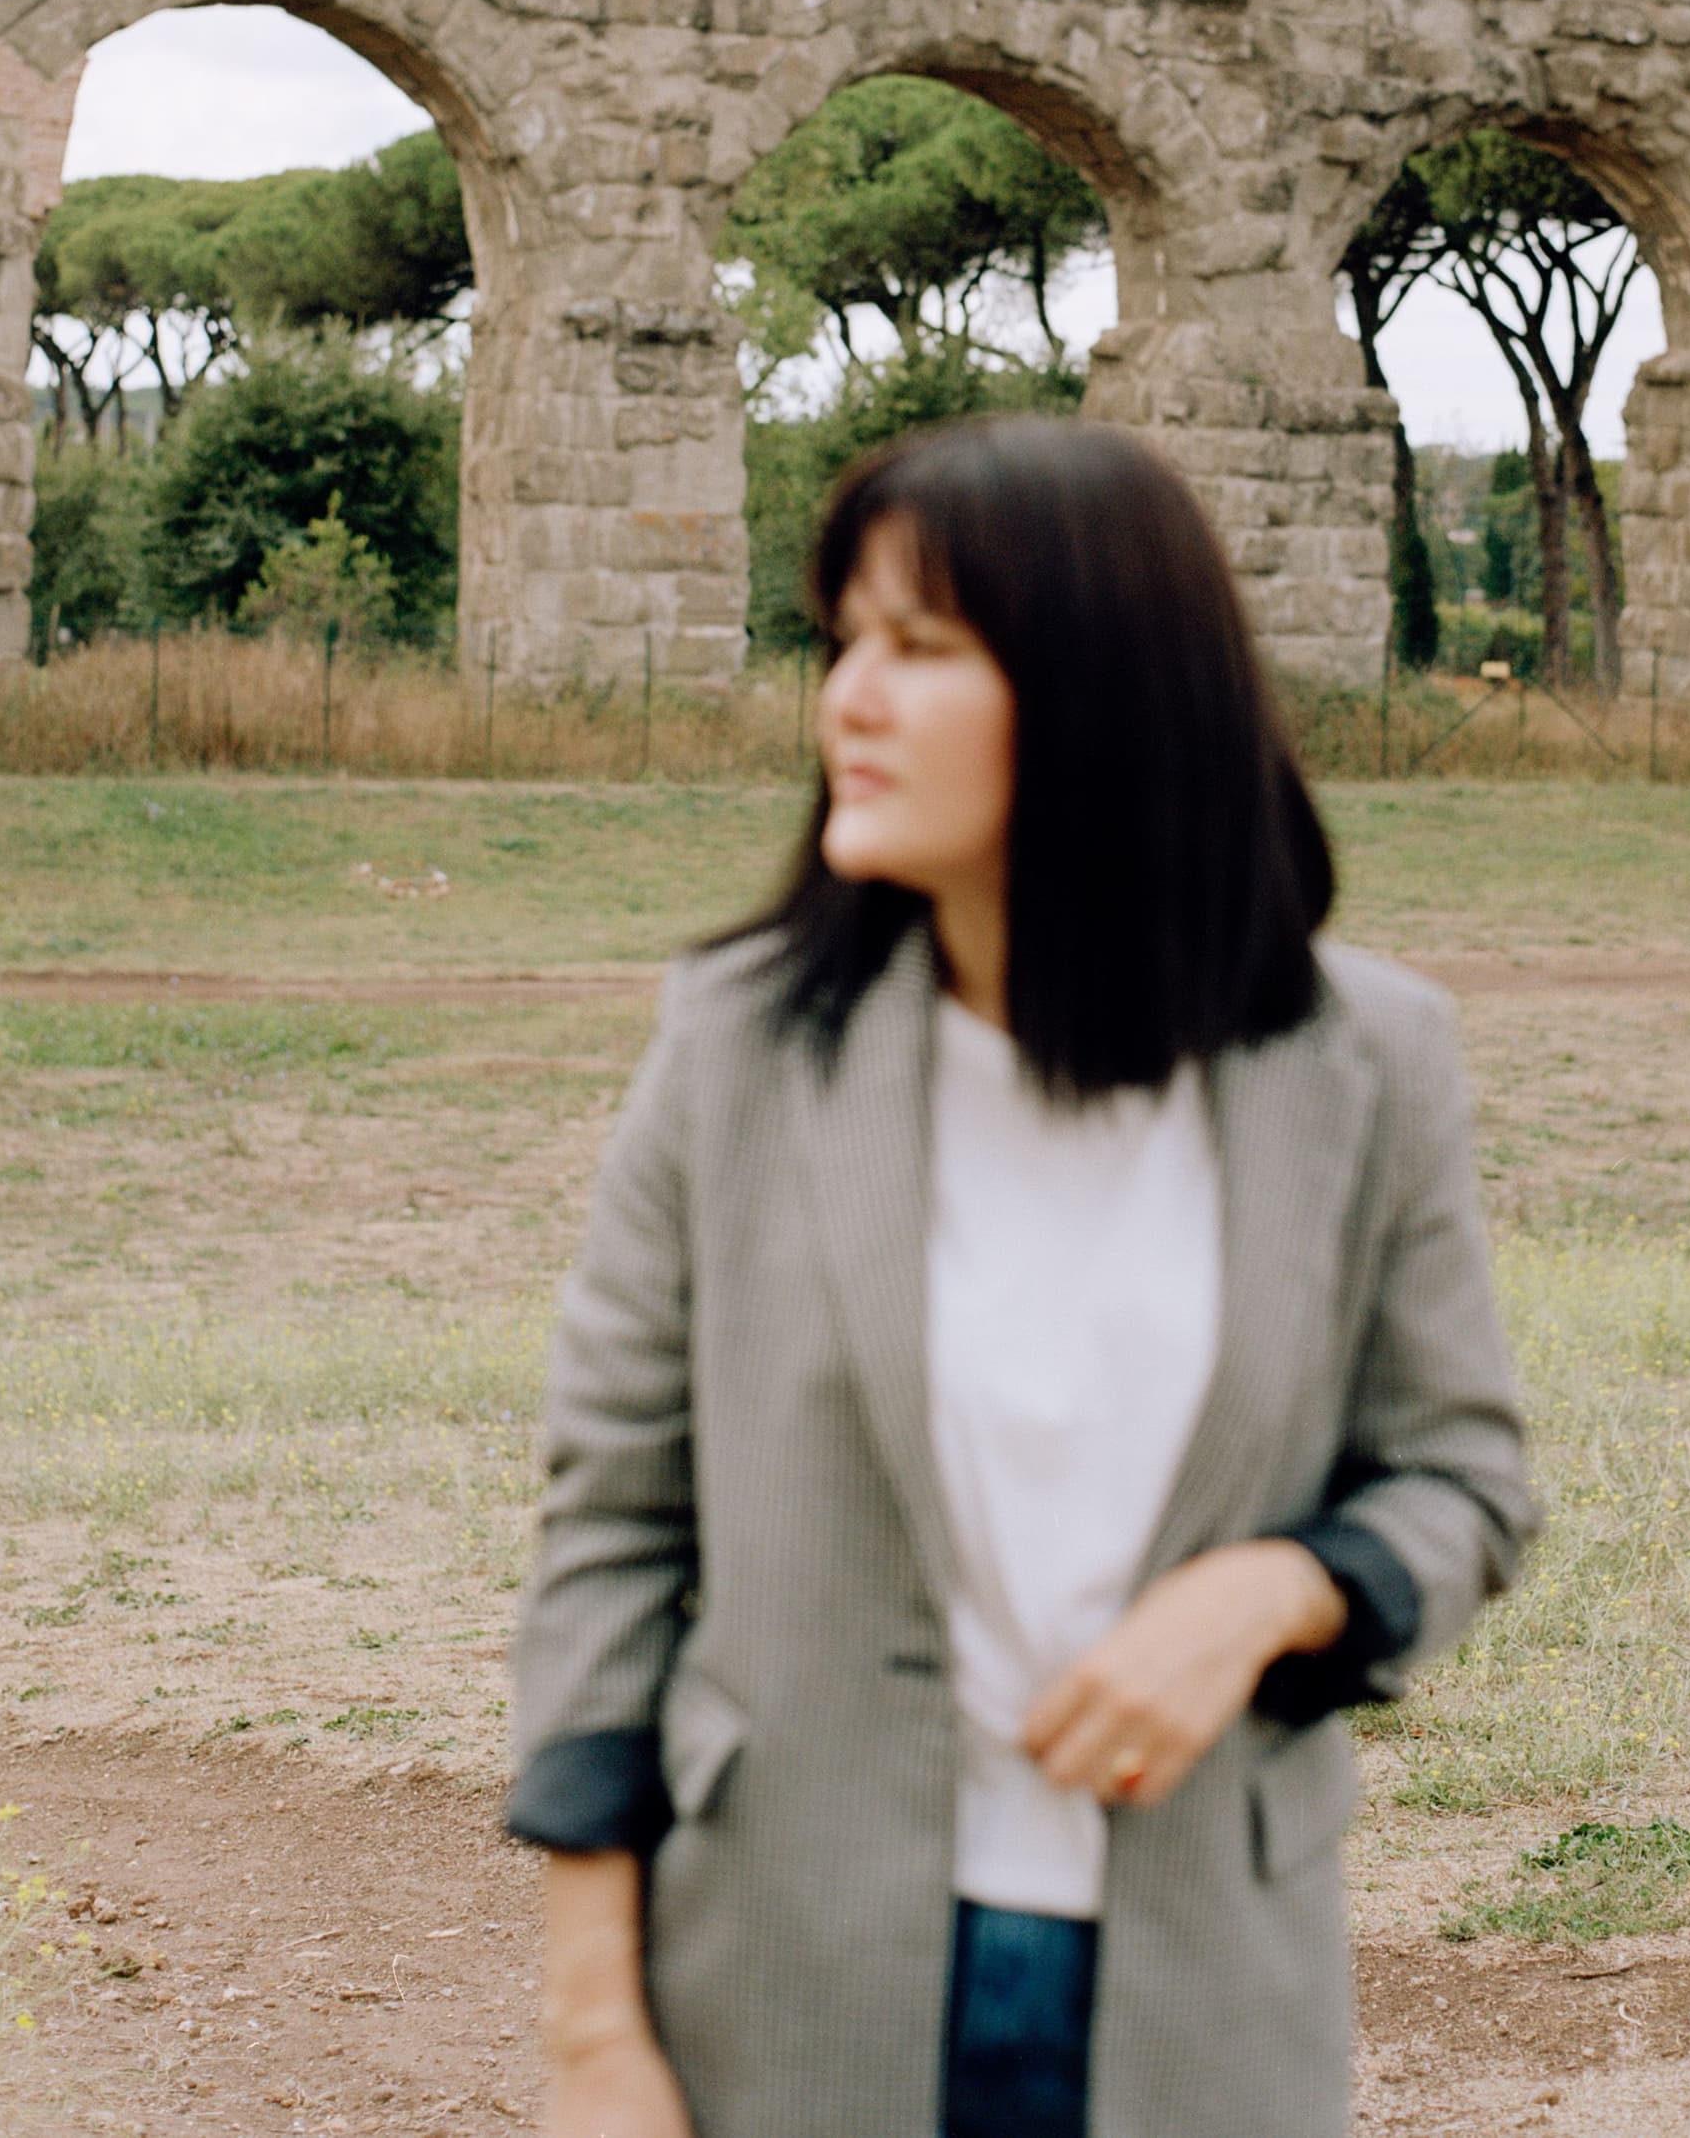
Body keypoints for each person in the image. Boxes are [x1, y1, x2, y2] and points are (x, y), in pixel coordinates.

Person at [507, 415, 1537, 2138]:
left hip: (1204, 1999)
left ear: (1098, 693)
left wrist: (1282, 1587)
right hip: (781, 1983)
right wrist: (593, 2034)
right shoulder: (738, 1051)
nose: (846, 697)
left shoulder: (1368, 1064)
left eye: (919, 648)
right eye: (843, 641)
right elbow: (614, 1528)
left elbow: (1465, 1479)